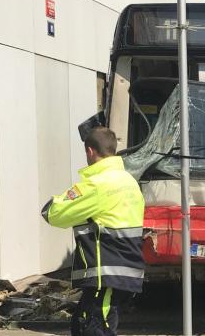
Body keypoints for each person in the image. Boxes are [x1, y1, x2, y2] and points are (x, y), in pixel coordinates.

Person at [41, 126, 145, 336]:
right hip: (121, 270)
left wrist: (60, 202)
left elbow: (53, 213)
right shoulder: (129, 181)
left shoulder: (97, 185)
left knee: (94, 327)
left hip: (105, 273)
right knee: (83, 325)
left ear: (90, 151)